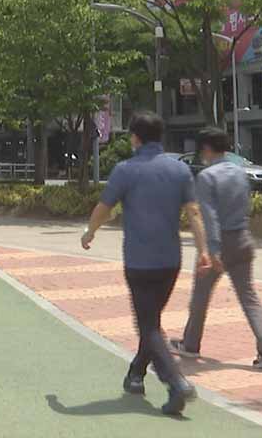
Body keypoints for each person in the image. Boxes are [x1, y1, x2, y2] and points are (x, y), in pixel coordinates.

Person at [81, 111, 212, 416]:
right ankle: (136, 374)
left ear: (135, 138)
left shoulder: (125, 170)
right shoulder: (179, 170)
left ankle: (176, 382)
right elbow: (194, 212)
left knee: (148, 325)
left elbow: (103, 207)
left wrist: (90, 232)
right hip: (170, 261)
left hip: (139, 262)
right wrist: (203, 250)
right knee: (151, 322)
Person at [169, 128, 262, 370]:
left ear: (207, 149)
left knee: (200, 295)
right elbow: (246, 206)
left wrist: (213, 250)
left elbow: (209, 216)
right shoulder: (240, 173)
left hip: (220, 242)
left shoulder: (207, 177)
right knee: (249, 297)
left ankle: (190, 344)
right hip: (243, 238)